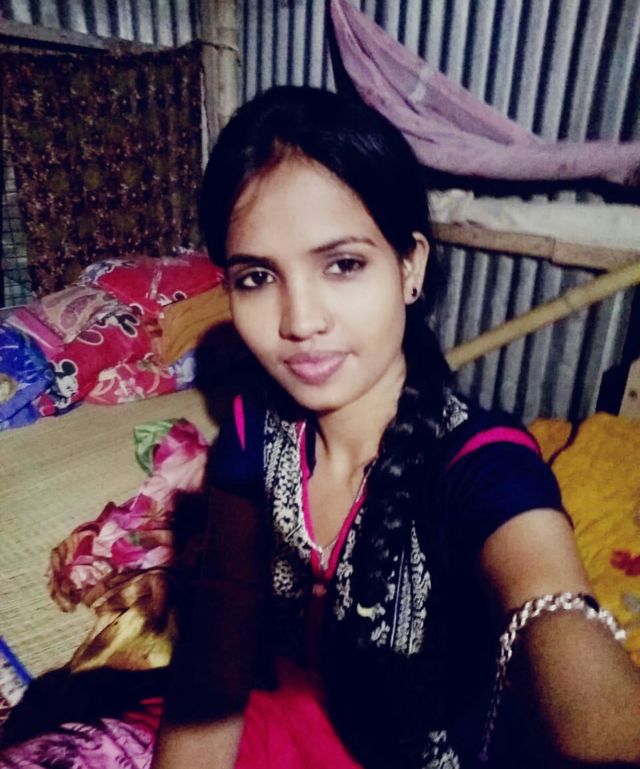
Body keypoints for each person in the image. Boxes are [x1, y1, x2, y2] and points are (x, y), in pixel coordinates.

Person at [152, 86, 640, 769]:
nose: (300, 321)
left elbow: (550, 609)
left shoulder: (479, 462)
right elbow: (216, 659)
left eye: (343, 264)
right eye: (257, 277)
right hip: (285, 722)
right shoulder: (253, 433)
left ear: (409, 266)